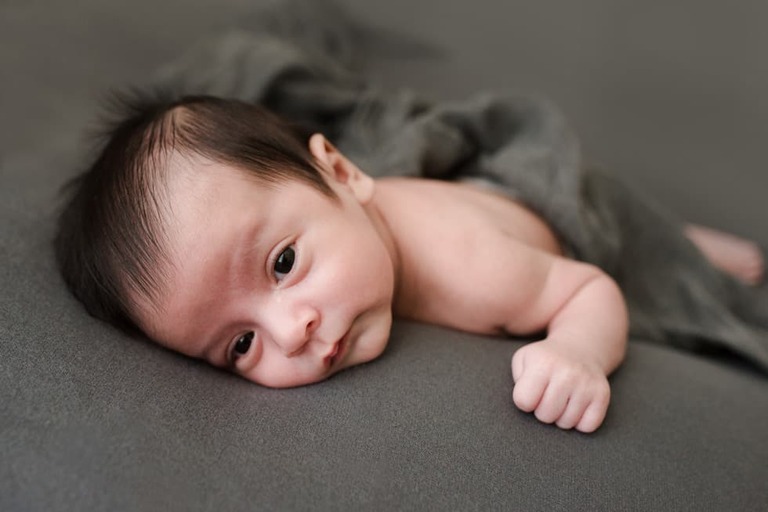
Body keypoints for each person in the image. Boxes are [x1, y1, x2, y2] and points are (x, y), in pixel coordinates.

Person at [55, 94, 764, 433]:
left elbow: (590, 286)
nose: (292, 330)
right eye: (240, 344)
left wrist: (576, 352)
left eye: (283, 263)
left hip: (541, 203)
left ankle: (692, 241)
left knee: (649, 249)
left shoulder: (478, 269)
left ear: (342, 173)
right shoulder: (333, 235)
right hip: (403, 206)